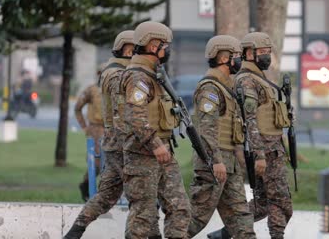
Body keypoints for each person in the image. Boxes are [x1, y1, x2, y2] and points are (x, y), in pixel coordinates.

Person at [64, 31, 162, 239]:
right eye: (134, 49)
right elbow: (127, 112)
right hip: (122, 143)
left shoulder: (112, 72)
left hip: (112, 141)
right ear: (127, 49)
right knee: (142, 197)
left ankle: (74, 233)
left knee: (106, 195)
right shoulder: (120, 75)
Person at [209, 32, 293, 239]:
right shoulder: (247, 80)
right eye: (262, 52)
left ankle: (227, 233)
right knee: (281, 201)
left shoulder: (260, 79)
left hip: (273, 147)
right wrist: (259, 154)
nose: (266, 56)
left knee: (263, 203)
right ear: (249, 53)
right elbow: (250, 118)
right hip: (265, 149)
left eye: (268, 52)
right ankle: (276, 236)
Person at [121, 21, 191, 239]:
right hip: (143, 154)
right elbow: (136, 115)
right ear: (153, 46)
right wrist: (155, 144)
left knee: (180, 208)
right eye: (165, 45)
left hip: (163, 153)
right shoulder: (138, 76)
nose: (167, 50)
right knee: (143, 219)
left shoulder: (154, 74)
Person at [187, 35, 256, 239]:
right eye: (236, 56)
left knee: (241, 218)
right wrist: (216, 161)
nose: (239, 60)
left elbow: (233, 128)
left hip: (230, 164)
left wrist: (239, 156)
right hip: (213, 163)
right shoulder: (211, 88)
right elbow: (206, 130)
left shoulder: (227, 87)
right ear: (224, 58)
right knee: (195, 219)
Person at [74, 67, 104, 202]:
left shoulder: (117, 89)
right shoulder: (92, 90)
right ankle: (86, 187)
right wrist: (84, 127)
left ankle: (105, 195)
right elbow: (77, 107)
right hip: (96, 130)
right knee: (96, 164)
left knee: (112, 164)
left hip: (113, 130)